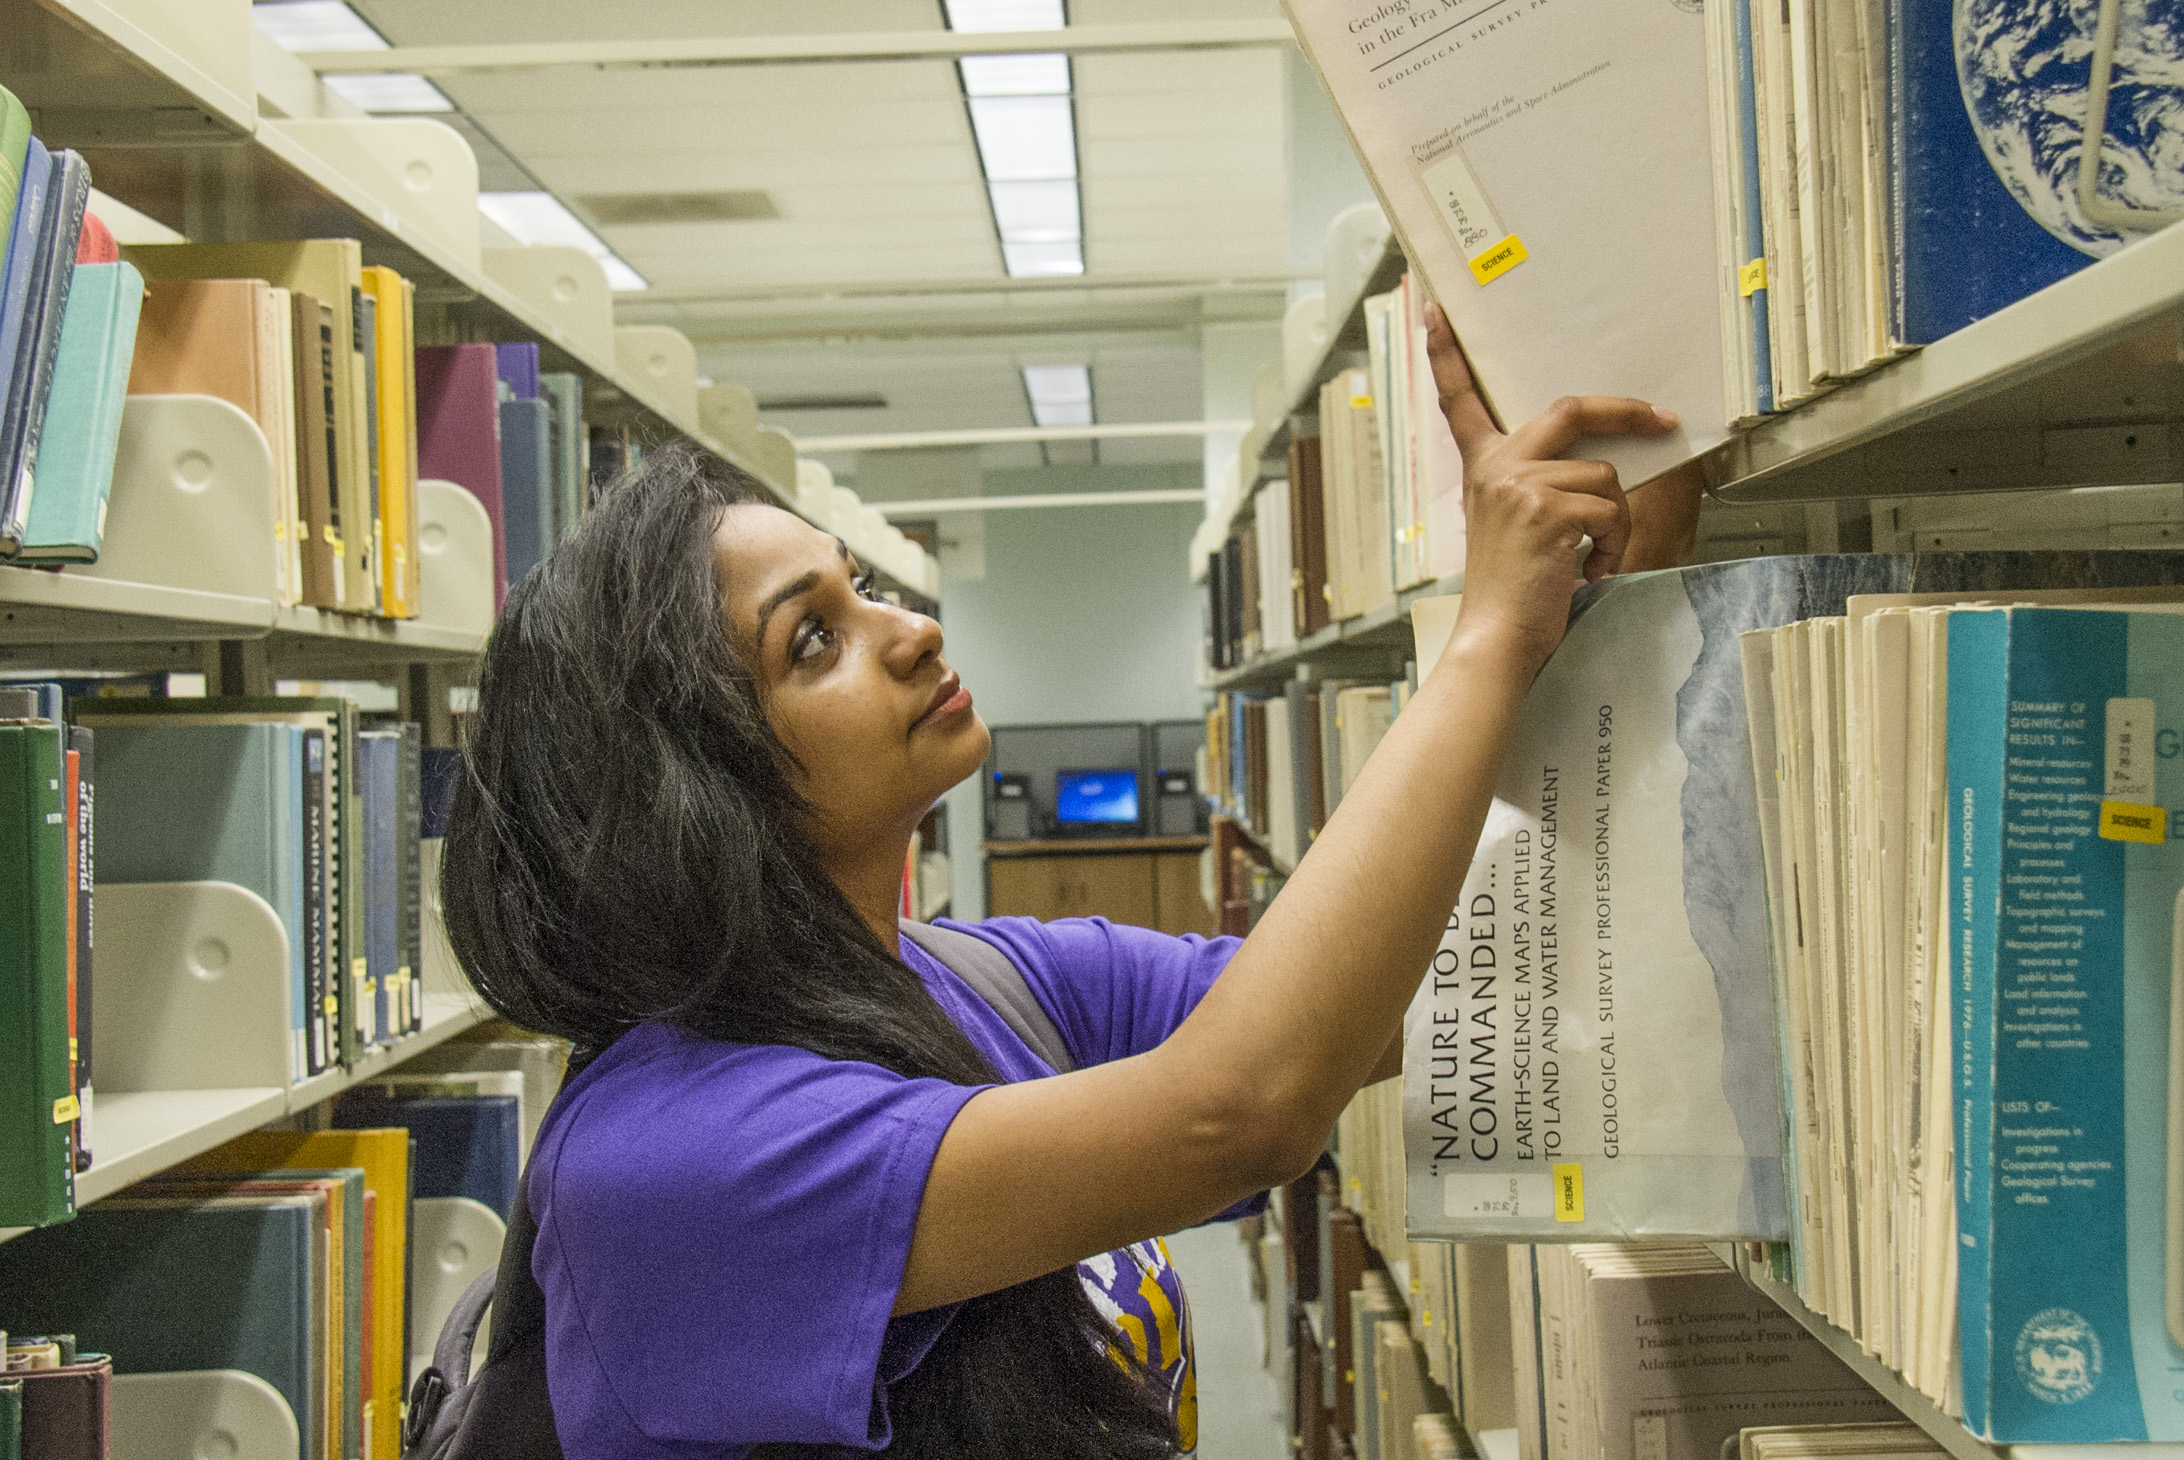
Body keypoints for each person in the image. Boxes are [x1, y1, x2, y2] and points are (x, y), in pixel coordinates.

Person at [440, 306, 1704, 1460]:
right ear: (688, 787)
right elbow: (1244, 1107)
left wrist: (1600, 616)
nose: (911, 627)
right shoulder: (668, 1161)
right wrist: (1486, 635)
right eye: (813, 636)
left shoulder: (994, 978)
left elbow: (1401, 998)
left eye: (863, 585)